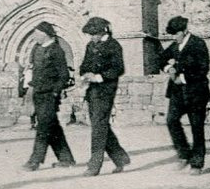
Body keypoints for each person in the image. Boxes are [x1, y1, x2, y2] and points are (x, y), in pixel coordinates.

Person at [77, 16, 130, 177]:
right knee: (99, 124)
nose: (92, 37)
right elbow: (84, 65)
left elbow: (118, 69)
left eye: (94, 34)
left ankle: (94, 165)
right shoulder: (90, 45)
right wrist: (85, 74)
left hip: (106, 90)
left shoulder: (114, 46)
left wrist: (98, 77)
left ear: (102, 32)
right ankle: (120, 158)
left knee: (99, 126)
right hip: (92, 90)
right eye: (90, 35)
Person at [158, 15, 210, 174]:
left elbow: (203, 69)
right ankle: (184, 153)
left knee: (197, 128)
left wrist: (183, 78)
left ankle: (197, 164)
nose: (174, 38)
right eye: (172, 35)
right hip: (177, 93)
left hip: (196, 93)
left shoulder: (198, 44)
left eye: (176, 34)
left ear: (185, 31)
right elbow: (160, 60)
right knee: (171, 120)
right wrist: (168, 68)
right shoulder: (174, 46)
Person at [23, 22, 76, 170]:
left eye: (36, 33)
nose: (34, 36)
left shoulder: (56, 50)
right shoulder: (37, 49)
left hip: (49, 95)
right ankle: (66, 159)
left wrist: (54, 92)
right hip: (38, 93)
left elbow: (64, 75)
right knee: (52, 127)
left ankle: (35, 161)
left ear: (45, 34)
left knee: (43, 128)